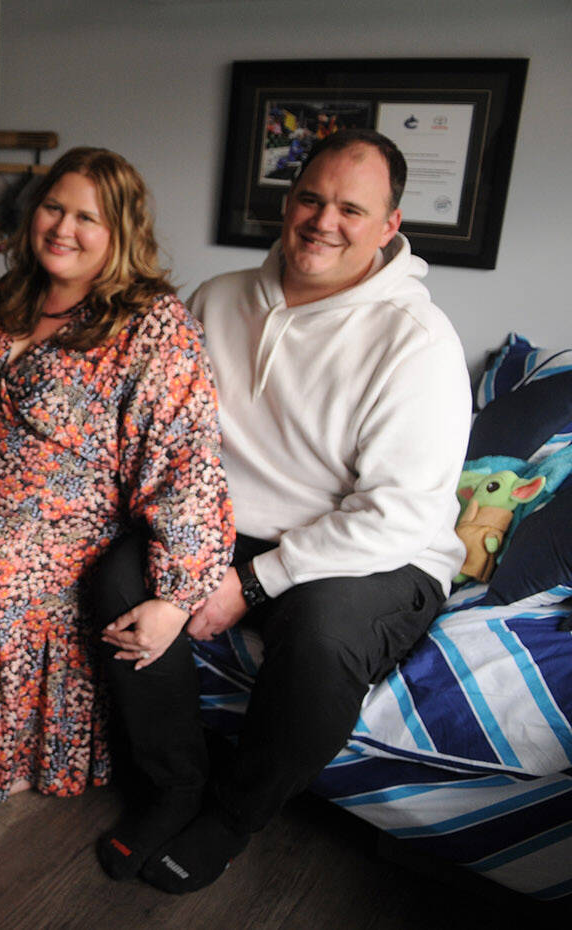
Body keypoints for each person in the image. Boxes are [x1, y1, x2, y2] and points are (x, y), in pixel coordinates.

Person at [92, 128, 471, 893]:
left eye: (351, 210)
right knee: (115, 578)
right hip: (230, 523)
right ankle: (175, 784)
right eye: (310, 198)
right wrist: (194, 557)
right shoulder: (218, 298)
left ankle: (234, 816)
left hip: (379, 552)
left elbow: (396, 513)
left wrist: (253, 583)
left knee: (323, 638)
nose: (323, 221)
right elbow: (170, 433)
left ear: (390, 226)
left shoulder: (417, 340)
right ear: (288, 200)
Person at [0, 147, 234, 804]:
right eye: (53, 208)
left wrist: (178, 597)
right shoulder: (9, 296)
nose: (63, 228)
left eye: (86, 217)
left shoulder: (151, 325)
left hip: (55, 528)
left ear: (121, 233)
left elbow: (186, 463)